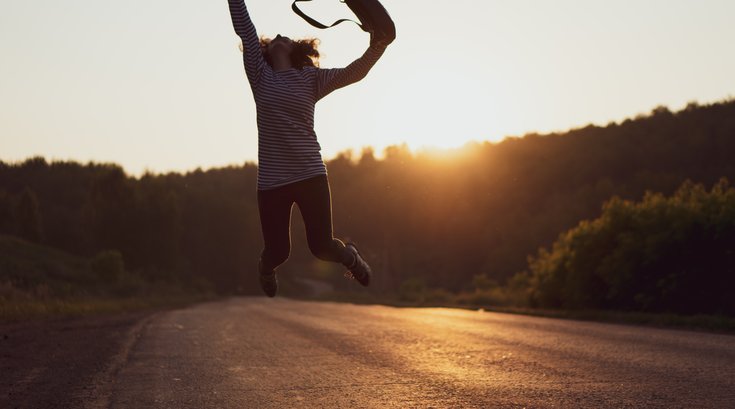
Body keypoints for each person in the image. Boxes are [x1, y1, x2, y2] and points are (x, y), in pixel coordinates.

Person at [226, 0, 391, 297]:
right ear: (264, 50)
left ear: (295, 50)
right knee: (278, 252)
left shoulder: (311, 79)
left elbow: (354, 72)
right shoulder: (259, 75)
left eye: (286, 37)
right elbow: (244, 27)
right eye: (274, 37)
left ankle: (351, 257)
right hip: (272, 183)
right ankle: (266, 267)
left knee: (322, 247)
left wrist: (378, 46)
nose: (279, 36)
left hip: (310, 175)